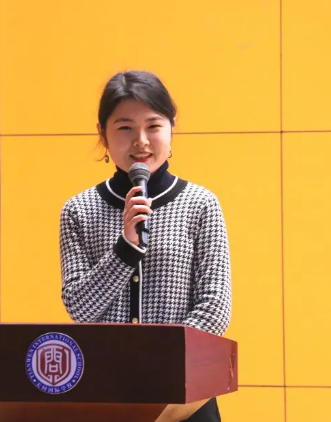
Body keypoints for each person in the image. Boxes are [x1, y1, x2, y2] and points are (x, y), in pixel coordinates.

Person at [59, 70, 232, 422]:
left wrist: (162, 365)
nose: (141, 141)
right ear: (103, 135)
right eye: (125, 128)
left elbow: (215, 307)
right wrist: (125, 248)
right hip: (109, 395)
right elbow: (80, 308)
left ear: (171, 128)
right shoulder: (78, 210)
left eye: (153, 126)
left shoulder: (200, 204)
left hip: (186, 398)